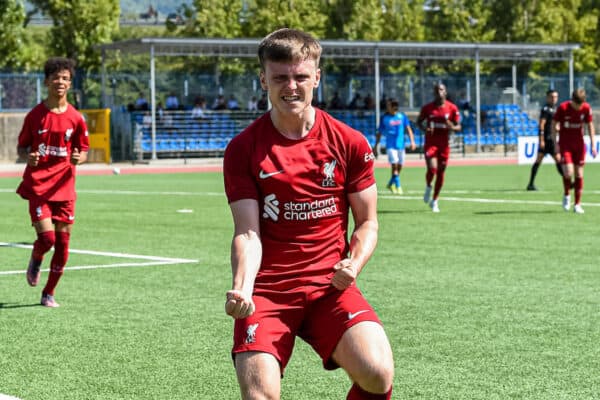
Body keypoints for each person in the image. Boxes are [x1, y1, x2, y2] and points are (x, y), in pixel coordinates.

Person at [223, 28, 394, 399]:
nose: (291, 87)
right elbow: (248, 233)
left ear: (317, 76)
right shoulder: (243, 149)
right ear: (263, 79)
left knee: (378, 372)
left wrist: (354, 262)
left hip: (328, 288)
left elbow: (367, 222)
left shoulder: (349, 142)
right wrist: (242, 285)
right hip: (268, 292)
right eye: (280, 77)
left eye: (300, 76)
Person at [16, 57, 89, 308]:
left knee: (64, 243)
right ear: (47, 81)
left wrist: (80, 157)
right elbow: (21, 148)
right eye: (56, 77)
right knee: (47, 239)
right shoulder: (35, 115)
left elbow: (84, 149)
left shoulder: (77, 118)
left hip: (65, 189)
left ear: (70, 83)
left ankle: (49, 292)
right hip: (39, 186)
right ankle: (37, 257)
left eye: (66, 78)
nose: (61, 82)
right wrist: (29, 157)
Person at [417, 82, 461, 213]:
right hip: (430, 143)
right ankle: (428, 186)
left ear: (445, 92)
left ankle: (435, 200)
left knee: (441, 172)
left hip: (444, 145)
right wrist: (425, 128)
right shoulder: (427, 108)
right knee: (432, 168)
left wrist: (452, 127)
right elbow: (419, 122)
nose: (439, 92)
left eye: (441, 90)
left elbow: (458, 126)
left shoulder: (452, 108)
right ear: (434, 92)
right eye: (437, 90)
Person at [552, 88, 596, 214]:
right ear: (572, 101)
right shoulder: (563, 108)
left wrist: (593, 145)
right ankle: (567, 195)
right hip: (565, 145)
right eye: (577, 105)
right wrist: (555, 144)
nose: (579, 107)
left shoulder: (586, 108)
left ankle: (577, 204)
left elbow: (590, 126)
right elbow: (553, 125)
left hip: (579, 145)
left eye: (581, 104)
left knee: (579, 174)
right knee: (568, 172)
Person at [374, 98, 416, 194]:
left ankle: (390, 183)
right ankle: (398, 185)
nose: (387, 107)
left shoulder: (402, 116)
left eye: (388, 105)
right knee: (394, 165)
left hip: (401, 145)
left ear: (393, 106)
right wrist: (376, 146)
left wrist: (412, 141)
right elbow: (379, 133)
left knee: (400, 165)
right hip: (390, 146)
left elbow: (409, 129)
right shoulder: (385, 118)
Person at [527, 89, 563, 191]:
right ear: (547, 97)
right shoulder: (546, 109)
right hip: (548, 140)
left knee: (539, 161)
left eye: (556, 97)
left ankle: (530, 184)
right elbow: (541, 125)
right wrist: (541, 140)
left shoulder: (556, 109)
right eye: (552, 97)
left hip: (552, 139)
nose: (554, 99)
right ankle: (568, 181)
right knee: (558, 160)